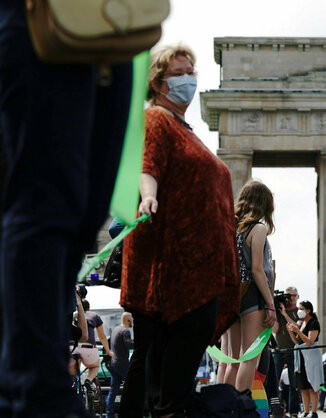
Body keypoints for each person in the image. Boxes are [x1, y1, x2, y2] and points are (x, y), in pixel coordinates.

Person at [0, 2, 132, 414]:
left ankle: (31, 380)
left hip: (110, 25)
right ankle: (32, 387)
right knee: (45, 204)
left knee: (85, 212)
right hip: (42, 18)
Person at [121, 44, 239, 416]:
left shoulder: (185, 129)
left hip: (195, 271)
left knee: (161, 373)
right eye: (179, 73)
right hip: (175, 274)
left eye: (192, 72)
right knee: (165, 377)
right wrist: (148, 196)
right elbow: (147, 164)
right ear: (157, 82)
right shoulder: (156, 119)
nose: (189, 79)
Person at [224, 180, 278, 392]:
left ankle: (225, 408)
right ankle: (241, 407)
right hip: (252, 296)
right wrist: (270, 304)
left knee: (233, 360)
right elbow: (257, 269)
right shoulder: (258, 228)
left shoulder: (231, 226)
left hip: (231, 295)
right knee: (249, 358)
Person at [289, 300, 324, 418]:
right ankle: (306, 411)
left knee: (312, 385)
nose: (299, 311)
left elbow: (309, 341)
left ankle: (314, 411)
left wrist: (297, 331)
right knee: (303, 386)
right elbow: (297, 341)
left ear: (308, 310)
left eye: (301, 308)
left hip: (311, 356)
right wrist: (291, 332)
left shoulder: (314, 323)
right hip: (301, 356)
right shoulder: (302, 322)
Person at [275, 286, 302, 418]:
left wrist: (285, 314)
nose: (291, 298)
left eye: (293, 295)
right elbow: (275, 330)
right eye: (288, 295)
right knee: (274, 382)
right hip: (279, 350)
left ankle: (294, 411)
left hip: (293, 350)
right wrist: (274, 311)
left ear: (298, 296)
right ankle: (275, 409)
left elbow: (298, 328)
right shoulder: (279, 311)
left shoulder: (300, 312)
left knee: (293, 383)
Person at [76, 299, 115, 381]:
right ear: (89, 308)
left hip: (72, 347)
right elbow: (102, 337)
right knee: (95, 366)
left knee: (74, 373)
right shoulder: (94, 315)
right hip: (88, 348)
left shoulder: (73, 315)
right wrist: (108, 352)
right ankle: (87, 381)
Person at [107, 313, 134, 418]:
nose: (133, 322)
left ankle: (109, 414)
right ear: (128, 320)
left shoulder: (115, 329)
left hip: (114, 363)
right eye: (132, 320)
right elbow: (128, 344)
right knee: (132, 389)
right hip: (122, 364)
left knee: (113, 391)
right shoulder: (125, 331)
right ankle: (130, 413)